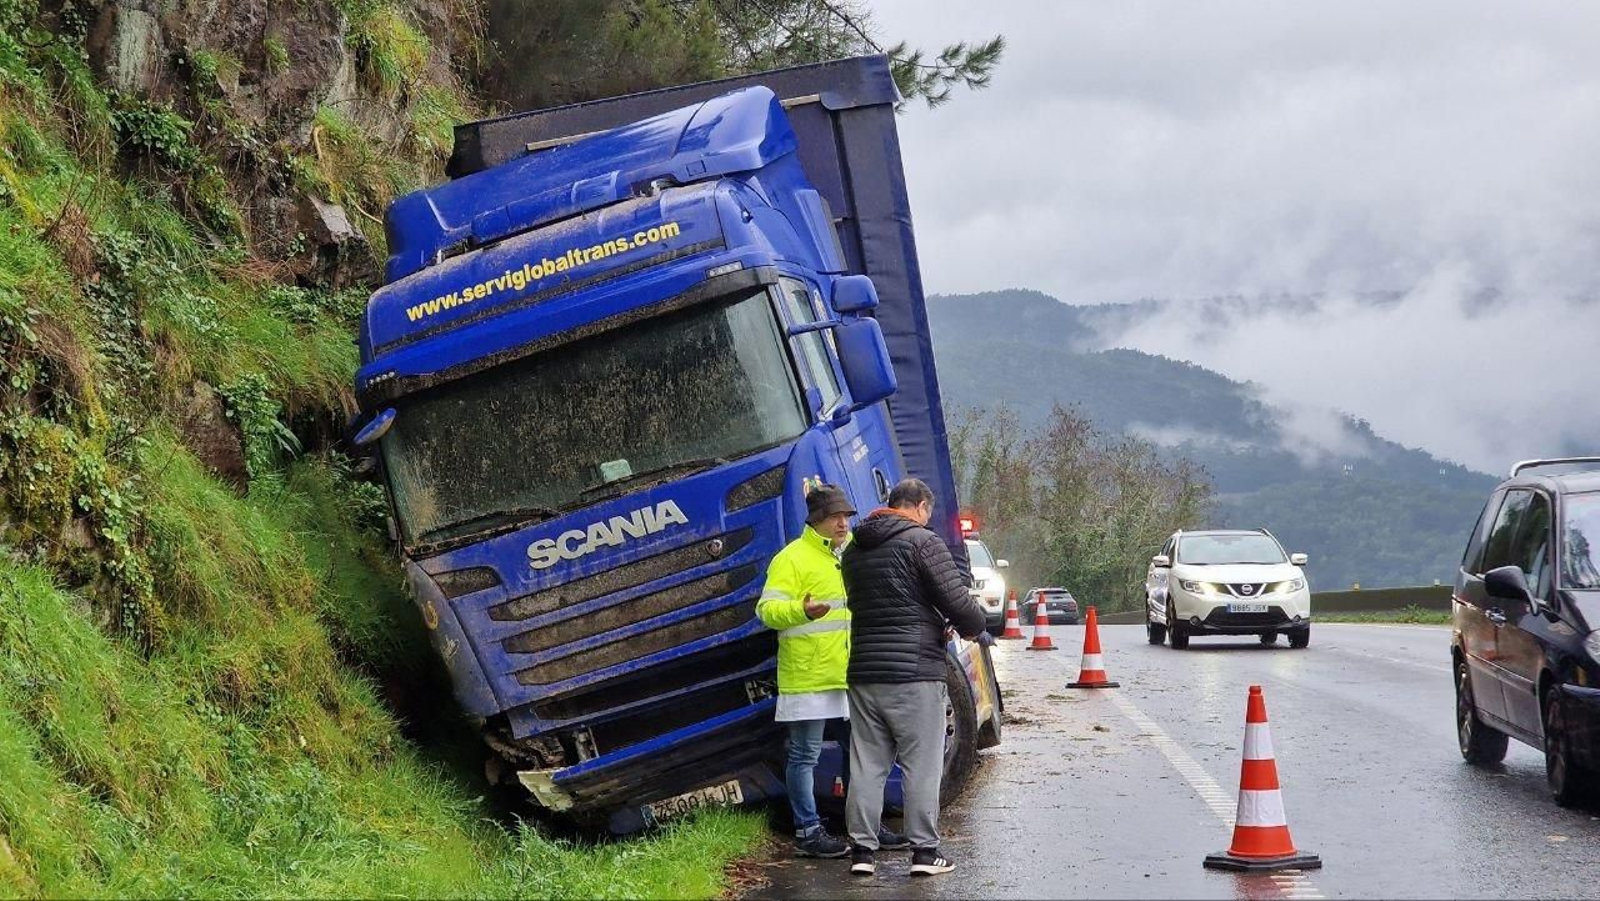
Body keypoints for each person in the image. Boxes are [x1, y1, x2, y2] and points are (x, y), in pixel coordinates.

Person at [839, 478, 988, 877]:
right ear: (920, 505)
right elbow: (955, 600)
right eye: (927, 512)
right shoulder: (921, 542)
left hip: (865, 672)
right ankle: (925, 853)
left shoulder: (852, 550)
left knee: (867, 766)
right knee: (921, 765)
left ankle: (862, 854)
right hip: (914, 672)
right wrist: (974, 624)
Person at [755, 484, 908, 858]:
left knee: (862, 753)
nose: (843, 523)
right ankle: (808, 833)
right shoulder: (791, 559)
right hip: (808, 677)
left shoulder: (854, 552)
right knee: (804, 756)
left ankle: (866, 828)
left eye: (846, 516)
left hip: (850, 675)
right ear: (817, 520)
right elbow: (766, 611)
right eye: (835, 517)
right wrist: (801, 611)